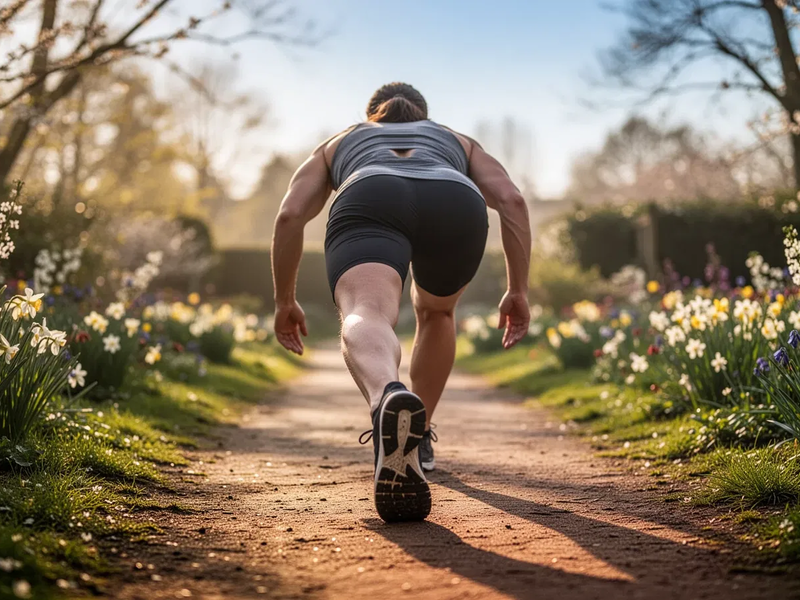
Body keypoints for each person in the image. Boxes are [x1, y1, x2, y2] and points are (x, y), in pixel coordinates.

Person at [271, 82, 531, 523]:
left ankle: (387, 397)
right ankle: (419, 432)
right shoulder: (457, 141)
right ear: (424, 117)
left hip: (371, 193)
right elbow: (511, 199)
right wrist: (518, 290)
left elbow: (290, 215)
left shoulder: (341, 141)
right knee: (437, 311)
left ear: (372, 115)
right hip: (454, 198)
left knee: (367, 312)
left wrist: (284, 300)